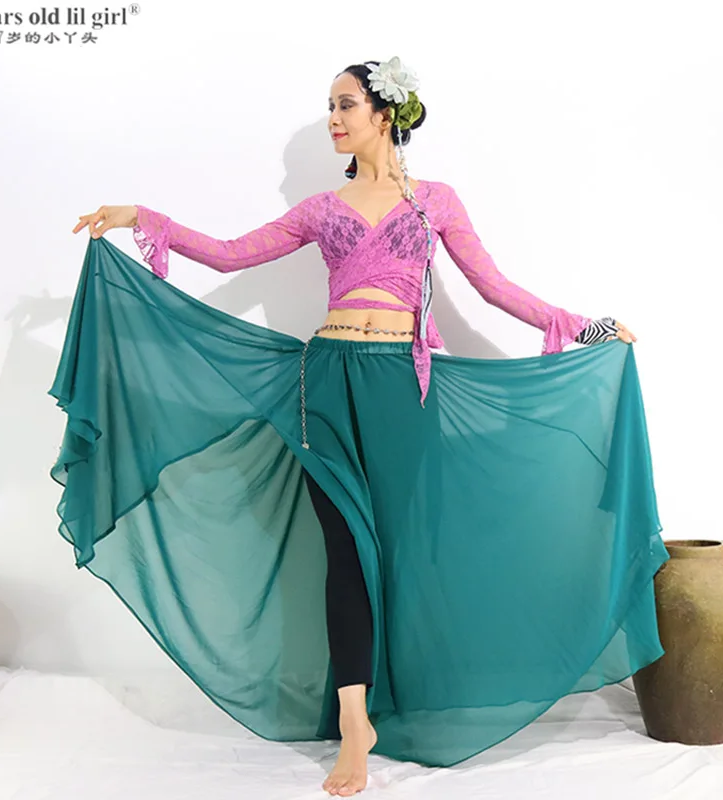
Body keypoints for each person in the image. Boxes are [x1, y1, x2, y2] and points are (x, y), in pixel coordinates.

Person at [62, 58, 661, 798]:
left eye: (345, 104)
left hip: (405, 393)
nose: (333, 119)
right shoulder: (322, 209)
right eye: (329, 106)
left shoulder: (436, 201)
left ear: (386, 112)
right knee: (344, 552)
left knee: (404, 552)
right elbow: (228, 252)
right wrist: (142, 218)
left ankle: (407, 695)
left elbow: (494, 287)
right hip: (328, 385)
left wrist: (588, 327)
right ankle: (354, 723)